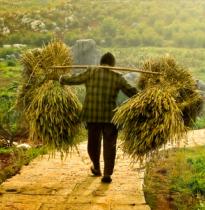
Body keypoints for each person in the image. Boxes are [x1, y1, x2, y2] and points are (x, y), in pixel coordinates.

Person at [53, 52, 137, 183]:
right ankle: (107, 174)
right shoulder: (117, 77)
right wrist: (146, 94)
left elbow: (75, 79)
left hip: (92, 116)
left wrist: (60, 79)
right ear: (113, 65)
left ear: (101, 62)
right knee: (110, 145)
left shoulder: (91, 72)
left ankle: (96, 167)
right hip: (110, 117)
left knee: (93, 143)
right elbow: (131, 91)